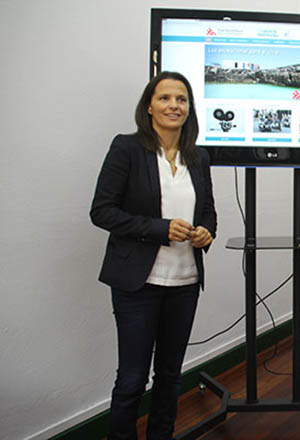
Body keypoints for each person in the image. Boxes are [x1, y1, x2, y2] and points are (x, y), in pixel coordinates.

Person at [90, 71, 217, 440]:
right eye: (164, 98)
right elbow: (102, 211)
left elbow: (208, 211)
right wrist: (161, 229)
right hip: (138, 285)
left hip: (185, 283)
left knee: (170, 375)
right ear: (149, 106)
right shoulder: (127, 148)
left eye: (181, 99)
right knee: (132, 379)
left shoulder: (199, 157)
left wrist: (206, 231)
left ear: (189, 108)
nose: (173, 105)